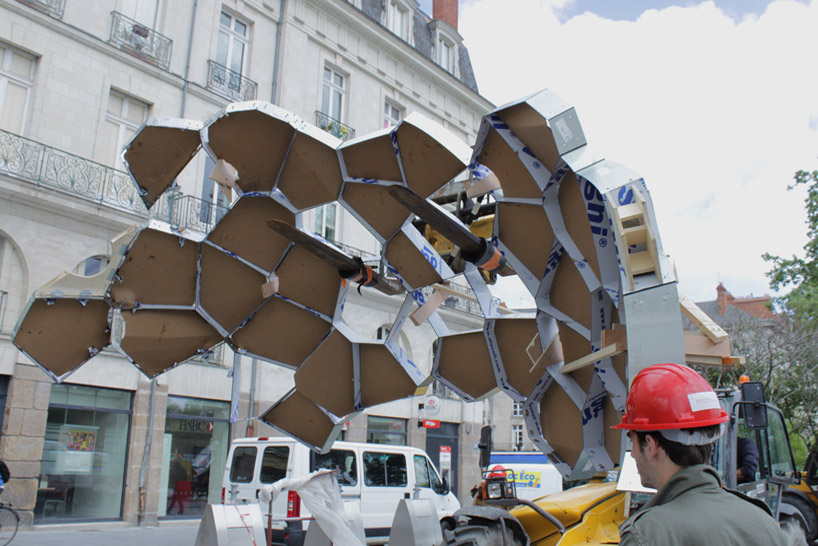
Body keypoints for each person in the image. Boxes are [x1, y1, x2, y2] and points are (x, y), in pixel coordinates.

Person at [614, 363, 786, 546]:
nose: (632, 454)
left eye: (632, 441)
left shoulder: (645, 537)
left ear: (650, 445)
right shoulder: (766, 524)